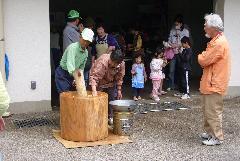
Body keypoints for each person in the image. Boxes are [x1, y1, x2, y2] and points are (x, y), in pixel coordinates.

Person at [198, 14, 231, 146]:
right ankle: (210, 132)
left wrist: (200, 56)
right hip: (211, 82)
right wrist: (204, 56)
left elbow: (203, 60)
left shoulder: (218, 43)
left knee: (213, 111)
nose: (204, 27)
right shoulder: (216, 40)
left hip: (214, 83)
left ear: (213, 27)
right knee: (208, 109)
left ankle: (217, 137)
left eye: (206, 24)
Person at [55, 28, 94, 93]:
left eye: (87, 41)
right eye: (84, 40)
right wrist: (76, 78)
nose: (85, 42)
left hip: (73, 74)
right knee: (65, 95)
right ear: (80, 37)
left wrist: (78, 78)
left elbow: (81, 68)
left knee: (75, 95)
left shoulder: (86, 52)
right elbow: (70, 65)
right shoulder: (73, 48)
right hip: (63, 73)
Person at [89, 50, 125, 121]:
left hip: (111, 83)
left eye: (116, 64)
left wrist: (119, 90)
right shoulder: (102, 62)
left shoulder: (121, 64)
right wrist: (94, 91)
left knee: (111, 100)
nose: (113, 65)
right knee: (98, 102)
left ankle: (110, 118)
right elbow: (94, 77)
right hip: (99, 84)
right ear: (110, 58)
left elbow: (120, 77)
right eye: (112, 62)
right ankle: (97, 119)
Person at [167, 15, 190, 92]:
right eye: (175, 24)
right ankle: (171, 85)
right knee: (171, 70)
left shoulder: (185, 31)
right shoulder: (172, 30)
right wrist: (170, 44)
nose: (175, 25)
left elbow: (186, 42)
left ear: (181, 24)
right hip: (173, 52)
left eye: (177, 24)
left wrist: (179, 34)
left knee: (181, 69)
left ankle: (181, 86)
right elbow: (169, 40)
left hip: (181, 52)